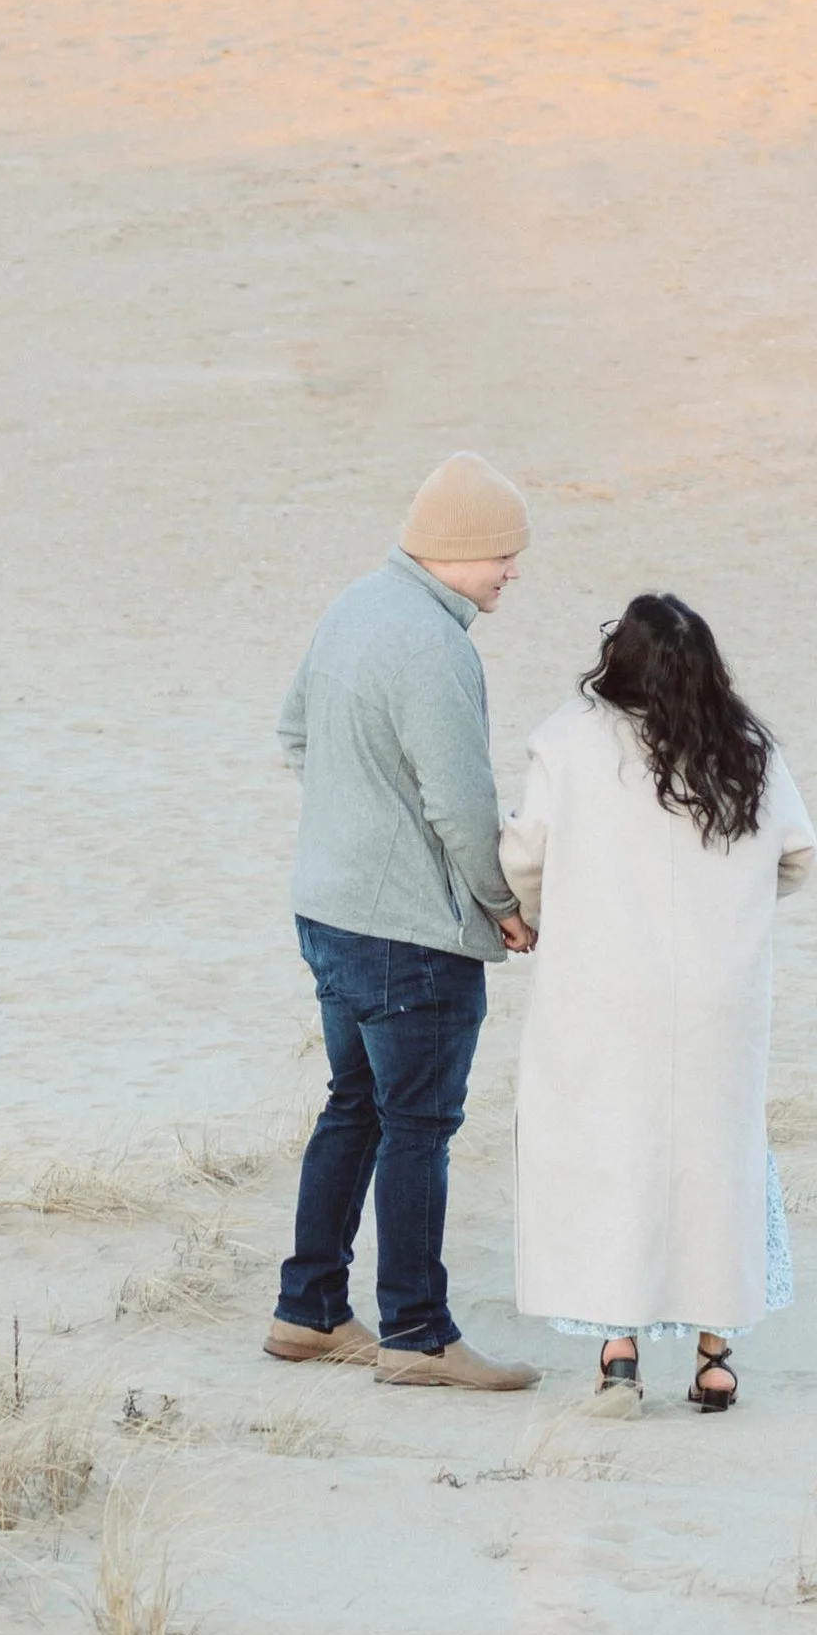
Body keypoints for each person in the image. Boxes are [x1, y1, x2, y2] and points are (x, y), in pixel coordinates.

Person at [500, 591, 817, 1414]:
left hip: (604, 987)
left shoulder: (569, 740)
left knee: (614, 1154)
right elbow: (797, 857)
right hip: (721, 994)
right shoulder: (746, 747)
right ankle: (715, 1360)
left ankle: (619, 1355)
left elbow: (525, 859)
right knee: (718, 1159)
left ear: (621, 660)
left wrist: (532, 916)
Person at [266, 452, 543, 1392]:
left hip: (328, 911)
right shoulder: (434, 646)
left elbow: (295, 733)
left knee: (355, 1107)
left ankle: (308, 1313)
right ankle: (419, 1337)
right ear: (459, 551)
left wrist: (357, 822)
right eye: (504, 554)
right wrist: (505, 906)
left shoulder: (353, 605)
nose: (513, 570)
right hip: (407, 935)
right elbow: (465, 808)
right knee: (417, 1125)